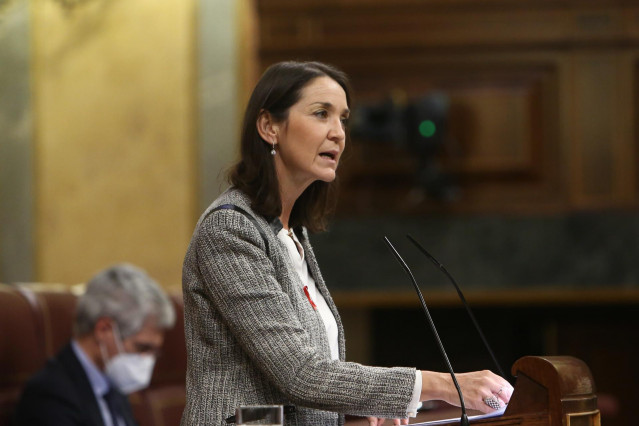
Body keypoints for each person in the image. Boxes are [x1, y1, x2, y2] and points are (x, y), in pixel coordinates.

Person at [181, 61, 513, 426]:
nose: (338, 133)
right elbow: (299, 372)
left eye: (343, 119)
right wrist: (442, 385)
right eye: (322, 114)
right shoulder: (229, 229)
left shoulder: (292, 231)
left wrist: (363, 403)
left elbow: (304, 376)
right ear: (269, 127)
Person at [14, 263, 176, 426]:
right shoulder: (50, 395)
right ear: (104, 330)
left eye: (154, 351)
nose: (148, 359)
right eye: (142, 348)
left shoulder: (113, 385)